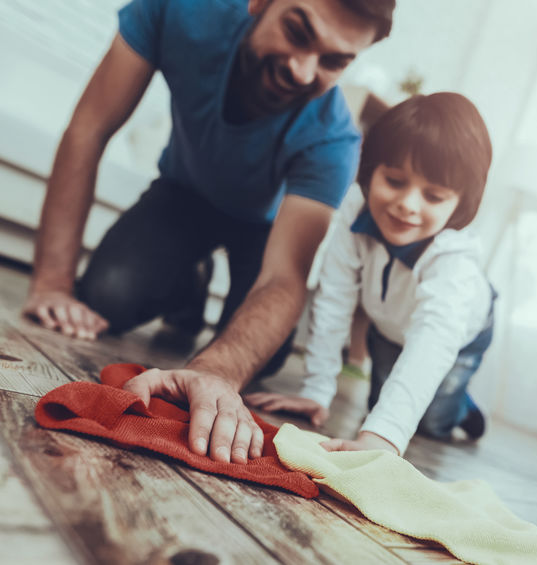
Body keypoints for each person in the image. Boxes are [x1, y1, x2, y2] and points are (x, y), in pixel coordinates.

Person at [21, 0, 395, 464]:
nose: (303, 71)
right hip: (183, 194)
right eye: (297, 32)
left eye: (334, 61)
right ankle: (188, 285)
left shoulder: (333, 138)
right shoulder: (180, 11)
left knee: (265, 356)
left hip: (263, 228)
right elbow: (89, 129)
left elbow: (284, 276)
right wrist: (51, 282)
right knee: (106, 294)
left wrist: (215, 371)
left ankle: (198, 296)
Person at [245, 92, 495, 455]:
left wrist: (385, 438)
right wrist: (317, 390)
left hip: (455, 337)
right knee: (380, 401)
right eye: (394, 181)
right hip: (390, 323)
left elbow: (433, 340)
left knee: (425, 422)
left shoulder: (454, 259)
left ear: (460, 204)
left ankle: (461, 406)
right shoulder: (353, 212)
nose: (407, 205)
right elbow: (334, 298)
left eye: (434, 197)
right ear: (370, 169)